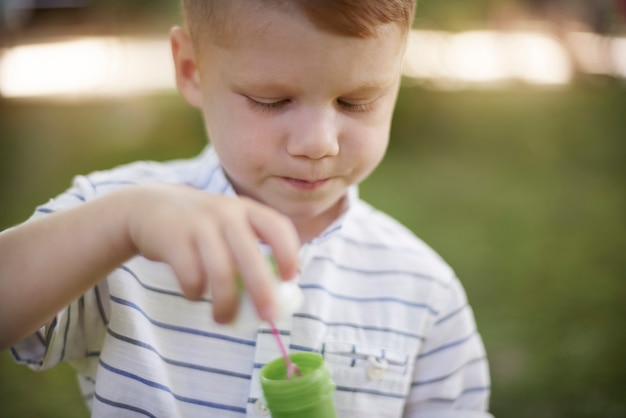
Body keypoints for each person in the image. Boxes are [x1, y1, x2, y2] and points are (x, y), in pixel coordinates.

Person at [0, 1, 493, 416]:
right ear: (192, 71)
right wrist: (119, 224)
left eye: (356, 101)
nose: (317, 143)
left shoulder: (424, 290)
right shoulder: (113, 227)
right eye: (271, 100)